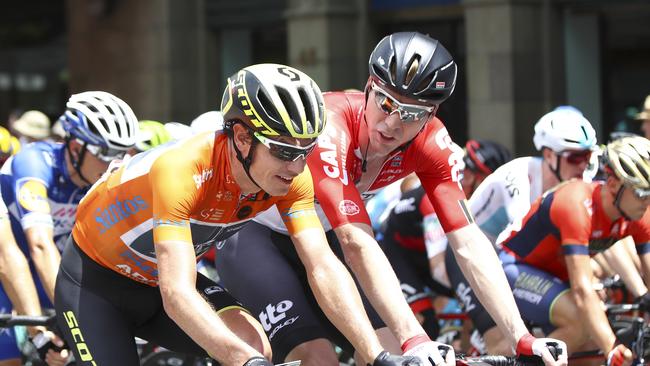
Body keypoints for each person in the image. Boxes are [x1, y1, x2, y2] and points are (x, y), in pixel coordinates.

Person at [216, 32, 567, 366]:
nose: (392, 123)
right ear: (369, 88)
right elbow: (355, 240)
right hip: (257, 238)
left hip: (323, 240)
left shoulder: (431, 143)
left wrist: (520, 335)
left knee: (391, 349)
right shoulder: (332, 124)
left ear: (431, 116)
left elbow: (468, 242)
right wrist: (415, 337)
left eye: (413, 114)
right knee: (320, 357)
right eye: (385, 102)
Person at [54, 64, 419, 366]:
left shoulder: (292, 176)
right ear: (242, 137)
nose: (295, 166)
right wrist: (244, 362)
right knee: (245, 355)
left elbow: (322, 265)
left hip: (154, 281)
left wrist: (375, 354)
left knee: (254, 343)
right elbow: (176, 292)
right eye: (282, 151)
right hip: (95, 284)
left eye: (305, 150)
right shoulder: (182, 170)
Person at [0, 91, 138, 365]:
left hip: (47, 278)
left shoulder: (101, 180)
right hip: (8, 270)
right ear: (76, 148)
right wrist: (43, 332)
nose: (114, 163)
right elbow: (39, 245)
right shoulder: (36, 164)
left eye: (121, 153)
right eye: (105, 153)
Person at [497, 135, 650, 365]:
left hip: (557, 278)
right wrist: (613, 349)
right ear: (613, 184)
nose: (647, 201)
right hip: (514, 268)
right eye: (641, 192)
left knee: (589, 351)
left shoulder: (638, 213)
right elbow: (582, 289)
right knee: (582, 323)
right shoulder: (577, 203)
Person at [377, 139, 512, 340]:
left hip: (419, 251)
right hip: (393, 254)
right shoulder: (441, 195)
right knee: (427, 326)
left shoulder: (469, 200)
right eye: (486, 181)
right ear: (469, 176)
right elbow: (440, 269)